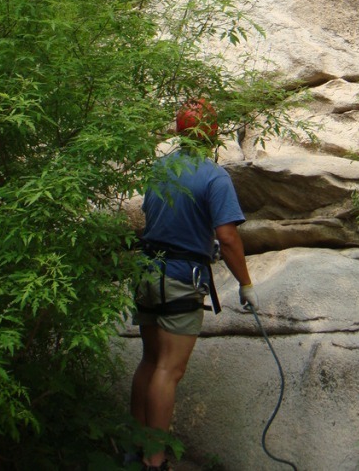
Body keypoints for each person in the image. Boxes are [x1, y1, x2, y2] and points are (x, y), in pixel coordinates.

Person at [130, 98, 258, 471]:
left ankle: (133, 445)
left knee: (150, 361)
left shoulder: (159, 168)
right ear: (213, 134)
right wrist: (246, 284)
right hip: (180, 279)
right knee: (169, 370)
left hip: (148, 272)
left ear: (179, 131)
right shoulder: (213, 176)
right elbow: (229, 238)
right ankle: (154, 461)